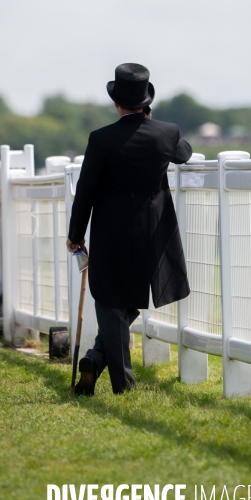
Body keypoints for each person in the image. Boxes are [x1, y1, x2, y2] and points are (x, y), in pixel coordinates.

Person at [66, 63, 192, 396]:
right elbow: (184, 153)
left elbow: (86, 191)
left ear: (116, 102)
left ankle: (119, 380)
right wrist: (154, 123)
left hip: (110, 235)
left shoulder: (101, 139)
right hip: (151, 235)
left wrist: (76, 235)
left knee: (110, 303)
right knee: (128, 303)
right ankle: (99, 362)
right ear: (146, 102)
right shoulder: (167, 132)